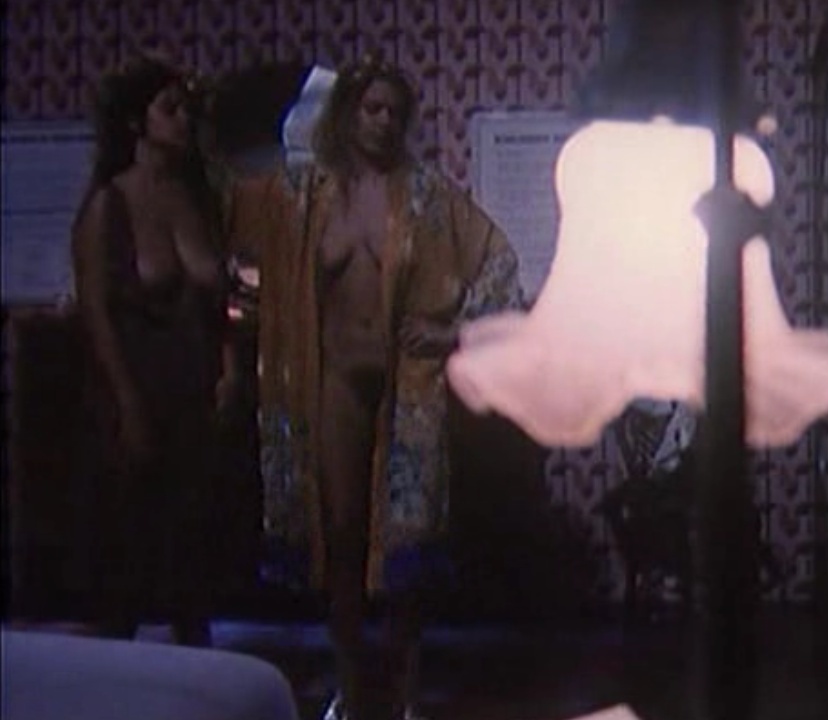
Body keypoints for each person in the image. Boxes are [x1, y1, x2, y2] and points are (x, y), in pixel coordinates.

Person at [227, 55, 522, 720]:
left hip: (406, 383)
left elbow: (498, 259)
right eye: (372, 108)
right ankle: (352, 684)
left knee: (407, 541)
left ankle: (407, 689)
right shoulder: (302, 195)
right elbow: (227, 219)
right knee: (341, 532)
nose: (384, 122)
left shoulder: (426, 197)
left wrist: (453, 332)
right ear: (348, 113)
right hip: (332, 380)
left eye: (394, 111)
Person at [70, 55, 236, 646]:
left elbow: (221, 301)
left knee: (194, 545)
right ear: (136, 122)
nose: (184, 119)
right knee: (129, 544)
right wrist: (126, 401)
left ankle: (195, 666)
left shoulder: (198, 198)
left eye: (187, 108)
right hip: (137, 385)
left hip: (194, 389)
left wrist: (230, 368)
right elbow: (96, 312)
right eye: (170, 109)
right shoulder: (109, 205)